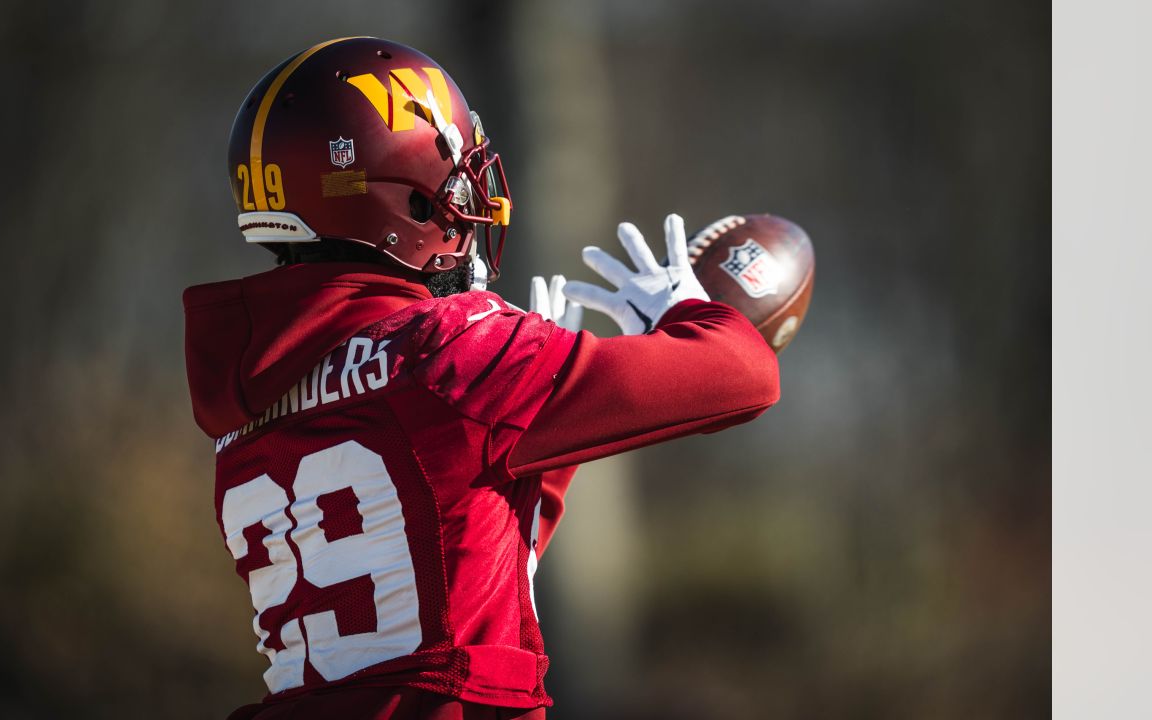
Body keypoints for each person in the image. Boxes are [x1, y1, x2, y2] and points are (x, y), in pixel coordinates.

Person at [183, 37, 780, 720]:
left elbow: (456, 562)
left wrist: (546, 465)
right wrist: (687, 310)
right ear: (406, 199)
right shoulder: (451, 353)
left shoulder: (244, 409)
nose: (469, 198)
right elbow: (744, 374)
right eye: (456, 180)